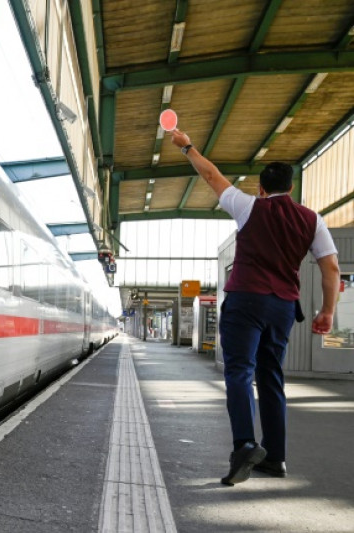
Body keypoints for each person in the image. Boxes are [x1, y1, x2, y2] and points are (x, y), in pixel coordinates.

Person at [171, 129, 340, 486]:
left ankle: (245, 444)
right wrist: (327, 311)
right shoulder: (313, 220)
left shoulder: (248, 206)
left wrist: (187, 146)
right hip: (283, 306)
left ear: (261, 188)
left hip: (246, 301)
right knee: (271, 377)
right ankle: (275, 457)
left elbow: (211, 175)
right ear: (291, 189)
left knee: (239, 372)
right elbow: (331, 268)